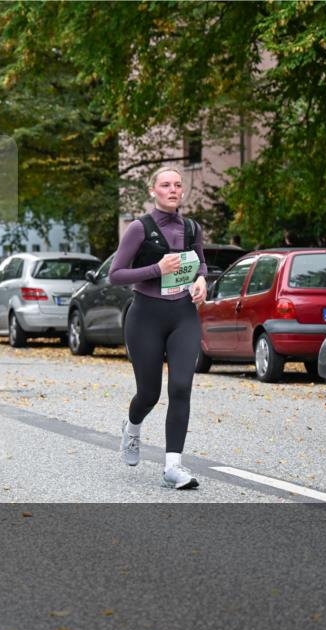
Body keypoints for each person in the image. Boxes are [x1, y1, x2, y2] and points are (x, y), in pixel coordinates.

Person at [108, 166, 208, 490]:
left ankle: (173, 467)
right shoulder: (139, 228)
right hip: (145, 317)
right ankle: (132, 428)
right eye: (165, 185)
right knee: (149, 394)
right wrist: (157, 268)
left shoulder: (192, 228)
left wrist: (202, 280)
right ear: (153, 190)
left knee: (180, 388)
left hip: (183, 315)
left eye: (177, 184)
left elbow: (201, 263)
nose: (173, 189)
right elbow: (115, 274)